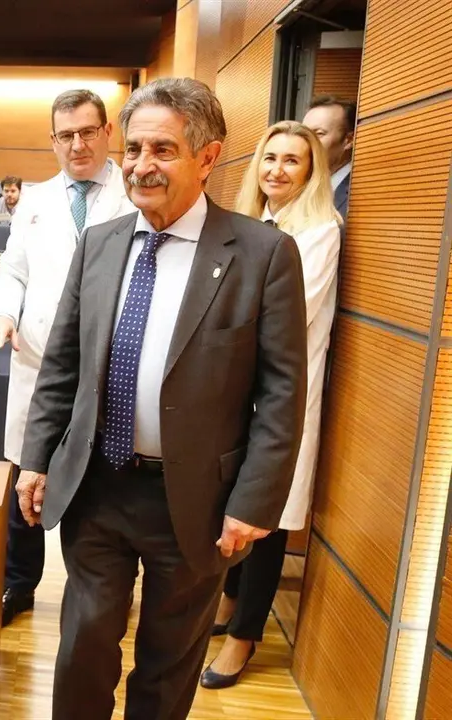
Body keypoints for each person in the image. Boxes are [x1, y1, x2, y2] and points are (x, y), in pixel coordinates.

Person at [18, 78, 307, 720]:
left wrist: (255, 501)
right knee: (83, 645)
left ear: (208, 158)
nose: (141, 165)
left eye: (163, 150)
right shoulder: (99, 244)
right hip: (98, 484)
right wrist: (35, 458)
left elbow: (282, 394)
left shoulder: (263, 254)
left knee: (168, 662)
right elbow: (63, 365)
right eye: (134, 148)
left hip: (198, 500)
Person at [0, 88, 136, 626]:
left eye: (88, 132)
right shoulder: (36, 199)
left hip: (111, 361)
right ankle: (20, 584)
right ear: (53, 141)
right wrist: (4, 312)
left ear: (107, 133)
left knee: (103, 478)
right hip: (39, 356)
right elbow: (13, 269)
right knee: (29, 471)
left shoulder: (132, 192)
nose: (77, 144)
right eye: (66, 135)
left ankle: (104, 591)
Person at [203, 120, 342, 689]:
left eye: (292, 161)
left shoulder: (320, 232)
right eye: (270, 158)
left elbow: (284, 318)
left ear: (311, 174)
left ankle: (245, 637)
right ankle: (229, 602)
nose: (277, 170)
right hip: (236, 388)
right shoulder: (248, 224)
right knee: (233, 502)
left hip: (281, 393)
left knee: (266, 515)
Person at [302, 95, 356, 220]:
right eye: (304, 134)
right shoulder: (297, 187)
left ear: (349, 140)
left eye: (319, 134)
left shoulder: (362, 194)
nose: (306, 142)